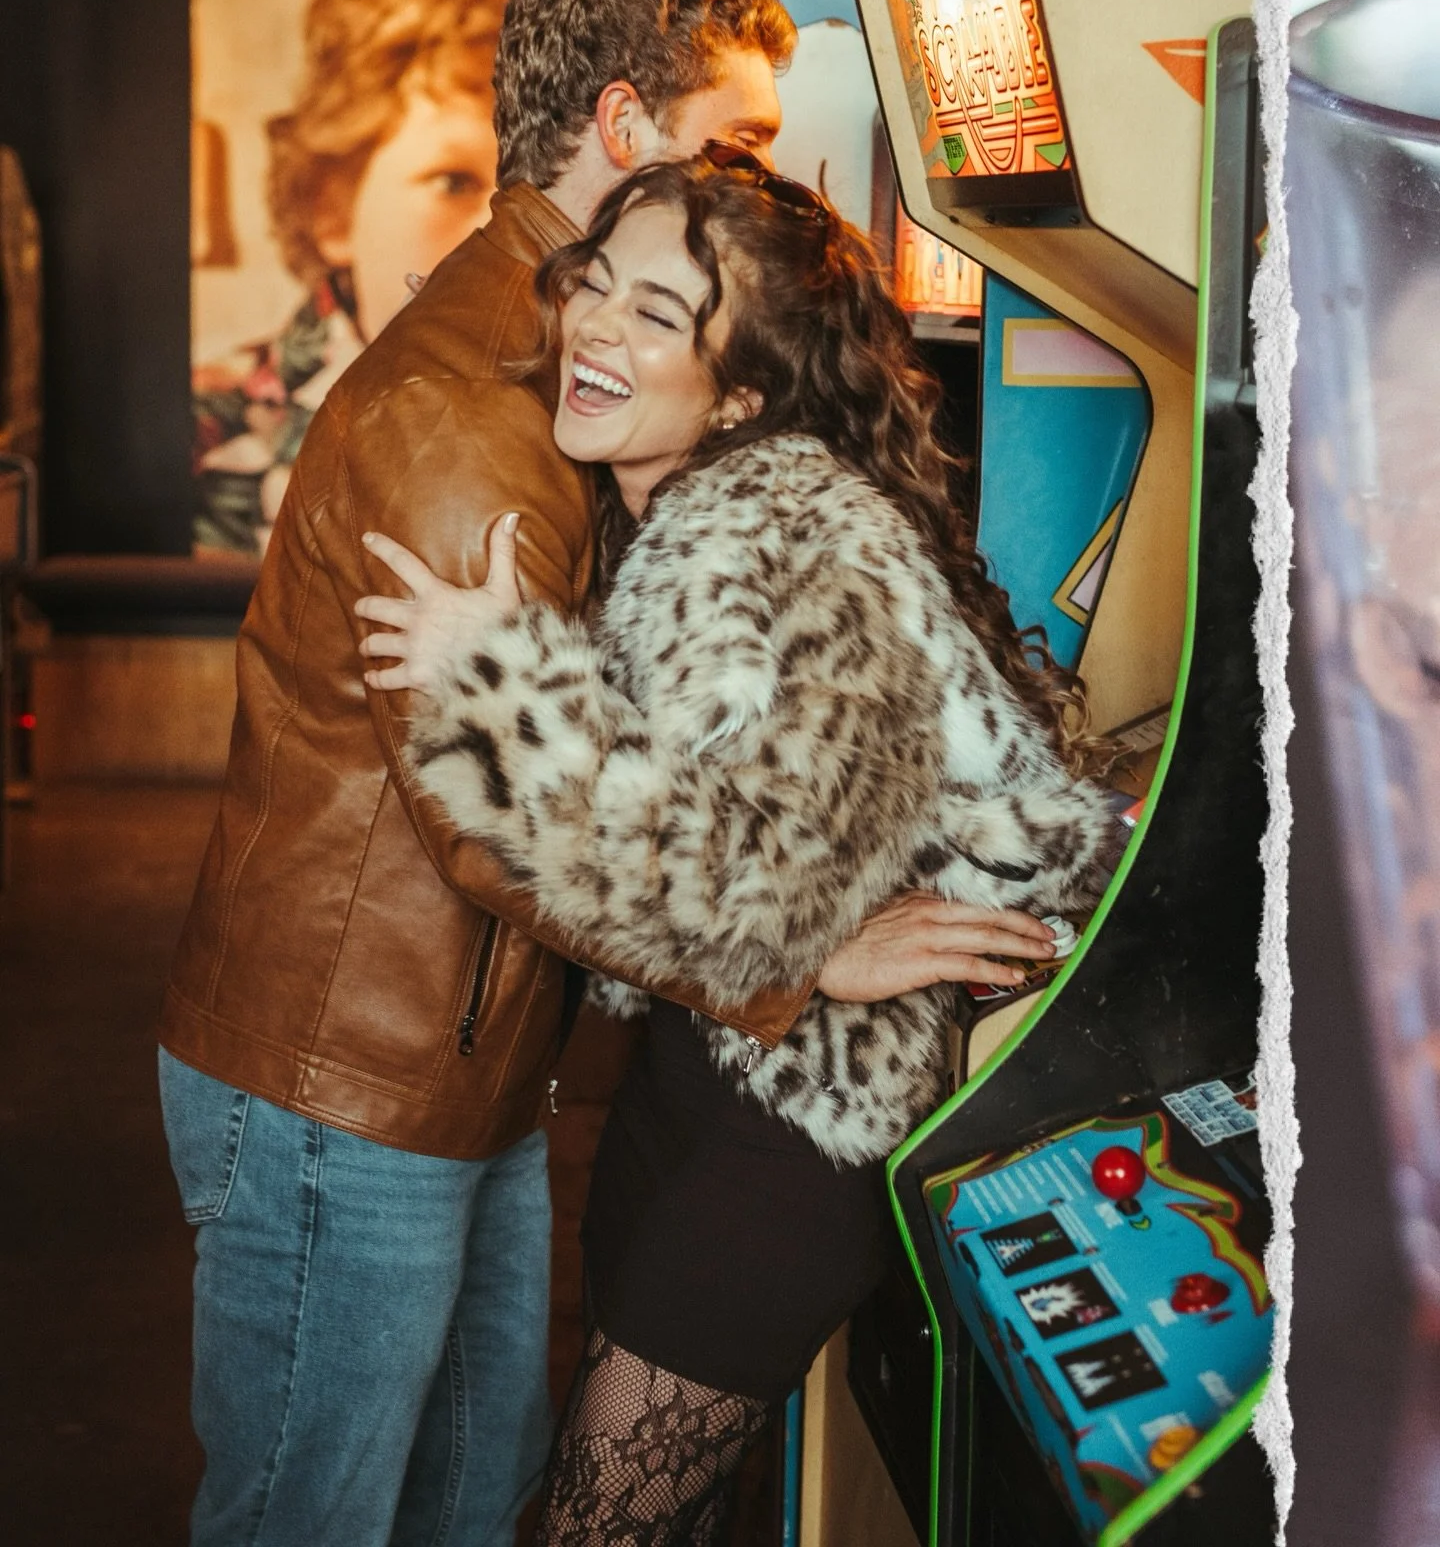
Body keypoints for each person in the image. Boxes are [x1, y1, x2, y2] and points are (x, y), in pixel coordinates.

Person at [159, 0, 1044, 1547]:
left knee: (460, 1508)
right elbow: (491, 818)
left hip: (462, 1063)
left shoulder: (575, 367)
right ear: (629, 131)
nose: (777, 194)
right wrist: (802, 955)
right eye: (748, 147)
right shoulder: (480, 411)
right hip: (342, 1082)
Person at [355, 150, 1119, 1543]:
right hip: (703, 1076)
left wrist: (501, 683)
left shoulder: (781, 532)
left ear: (744, 394)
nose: (595, 327)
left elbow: (750, 898)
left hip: (803, 1124)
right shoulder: (666, 511)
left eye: (661, 316)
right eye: (599, 283)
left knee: (593, 1528)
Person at [193, 0, 525, 556]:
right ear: (333, 213)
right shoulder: (198, 447)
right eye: (454, 181)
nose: (505, 227)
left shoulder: (619, 428)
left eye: (543, 185)